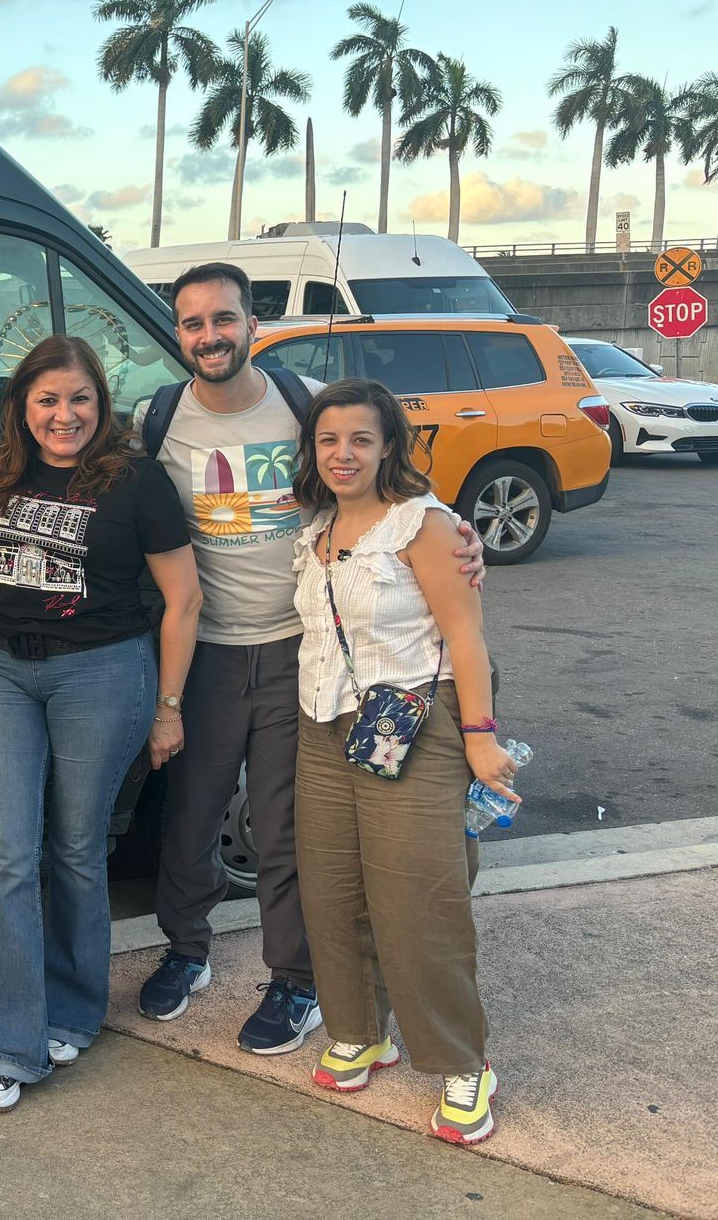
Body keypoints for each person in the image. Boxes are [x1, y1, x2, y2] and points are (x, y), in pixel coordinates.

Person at [134, 262, 485, 1055]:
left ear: (251, 322)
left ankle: (294, 980)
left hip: (306, 651)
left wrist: (453, 532)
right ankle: (186, 950)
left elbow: (384, 480)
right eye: (192, 323)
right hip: (208, 653)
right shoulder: (158, 421)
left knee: (288, 829)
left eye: (223, 319)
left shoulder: (301, 407)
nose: (209, 336)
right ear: (179, 335)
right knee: (189, 816)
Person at [0, 336, 201, 1113]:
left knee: (74, 847)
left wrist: (168, 707)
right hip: (3, 669)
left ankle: (71, 1010)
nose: (63, 416)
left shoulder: (135, 480)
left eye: (79, 400)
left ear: (101, 404)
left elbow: (184, 598)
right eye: (46, 400)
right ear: (21, 406)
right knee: (6, 855)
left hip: (101, 670)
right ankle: (5, 1040)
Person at [290, 378, 514, 1145]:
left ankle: (462, 1061)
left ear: (388, 444)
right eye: (328, 440)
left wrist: (481, 736)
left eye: (359, 439)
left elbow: (467, 637)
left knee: (422, 900)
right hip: (322, 726)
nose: (342, 454)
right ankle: (360, 1029)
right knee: (331, 890)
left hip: (412, 725)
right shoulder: (315, 526)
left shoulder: (426, 525)